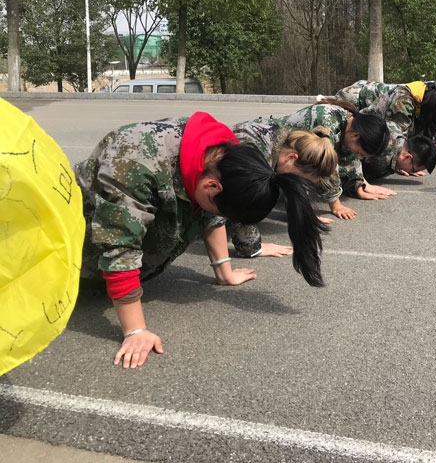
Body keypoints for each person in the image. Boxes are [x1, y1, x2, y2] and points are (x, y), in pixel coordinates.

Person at [76, 112, 326, 368]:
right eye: (219, 209)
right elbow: (120, 246)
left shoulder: (220, 158)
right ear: (212, 187)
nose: (218, 216)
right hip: (73, 262)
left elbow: (212, 216)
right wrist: (135, 330)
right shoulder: (136, 160)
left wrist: (225, 273)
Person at [229, 122, 339, 257]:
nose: (300, 184)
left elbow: (293, 185)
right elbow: (241, 200)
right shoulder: (258, 159)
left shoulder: (290, 144)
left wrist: (302, 215)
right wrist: (252, 247)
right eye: (301, 179)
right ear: (291, 157)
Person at [267, 103, 391, 219]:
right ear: (355, 136)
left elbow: (350, 159)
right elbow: (325, 167)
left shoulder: (350, 125)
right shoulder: (326, 123)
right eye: (359, 153)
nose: (358, 156)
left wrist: (359, 186)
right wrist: (336, 205)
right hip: (270, 152)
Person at [325, 80, 436, 151]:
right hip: (355, 103)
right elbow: (397, 139)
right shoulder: (404, 102)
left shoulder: (423, 102)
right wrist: (406, 161)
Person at [361, 123, 436, 181]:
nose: (410, 172)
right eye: (412, 170)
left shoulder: (396, 130)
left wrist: (398, 166)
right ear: (407, 157)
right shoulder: (383, 151)